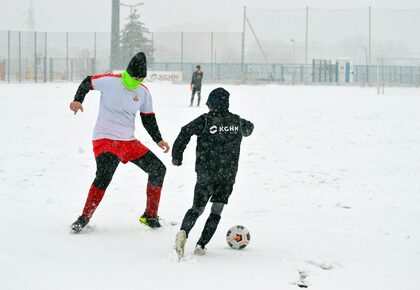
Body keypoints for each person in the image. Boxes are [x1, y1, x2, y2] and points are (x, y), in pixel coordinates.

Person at [69, 52, 170, 233]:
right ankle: (84, 217)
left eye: (140, 78)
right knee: (104, 176)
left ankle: (150, 216)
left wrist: (158, 139)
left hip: (129, 143)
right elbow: (87, 81)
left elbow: (148, 118)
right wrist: (78, 100)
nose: (137, 81)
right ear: (128, 72)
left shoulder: (143, 92)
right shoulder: (109, 81)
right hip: (105, 139)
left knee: (158, 170)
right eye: (134, 77)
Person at [172, 87, 254, 259]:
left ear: (211, 104)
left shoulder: (205, 120)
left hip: (206, 174)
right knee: (216, 211)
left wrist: (177, 156)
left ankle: (183, 233)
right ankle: (201, 245)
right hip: (227, 176)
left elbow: (184, 131)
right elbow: (250, 128)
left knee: (197, 208)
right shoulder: (237, 122)